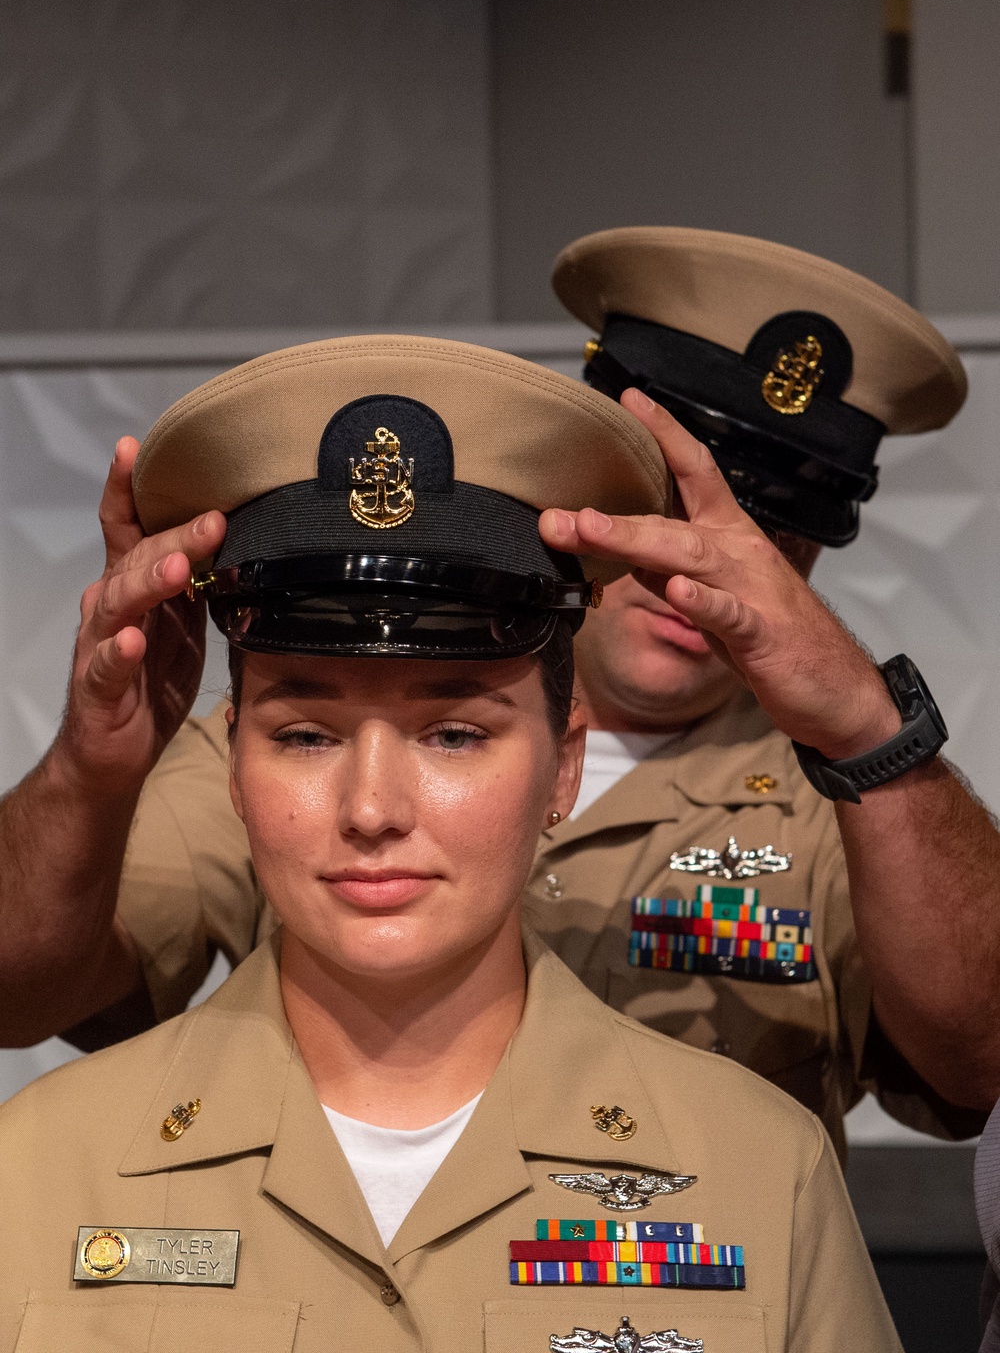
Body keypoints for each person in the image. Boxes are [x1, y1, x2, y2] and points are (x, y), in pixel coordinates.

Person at [2, 232, 998, 1161]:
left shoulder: (849, 798)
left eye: (772, 537)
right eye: (675, 515)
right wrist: (91, 771)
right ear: (589, 493)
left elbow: (979, 1060)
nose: (709, 570)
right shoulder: (319, 726)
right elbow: (21, 989)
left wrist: (873, 733)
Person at [0, 336, 900, 1352]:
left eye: (454, 733)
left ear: (563, 765)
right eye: (303, 734)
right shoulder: (37, 1168)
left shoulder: (757, 1169)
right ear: (230, 763)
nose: (373, 807)